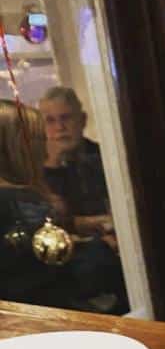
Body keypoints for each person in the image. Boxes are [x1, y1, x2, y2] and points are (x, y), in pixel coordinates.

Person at [0, 99, 127, 312]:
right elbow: (53, 277)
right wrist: (105, 247)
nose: (44, 149)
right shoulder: (19, 202)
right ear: (18, 148)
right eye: (39, 140)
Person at [39, 86, 112, 238]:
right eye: (50, 121)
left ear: (83, 120)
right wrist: (53, 164)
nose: (60, 128)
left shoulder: (107, 158)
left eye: (66, 118)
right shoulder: (34, 168)